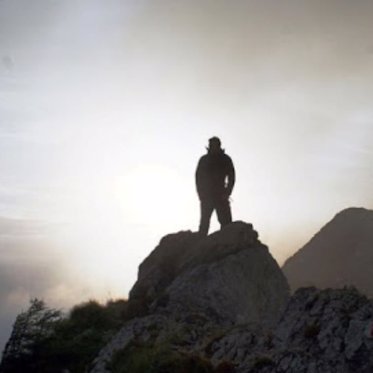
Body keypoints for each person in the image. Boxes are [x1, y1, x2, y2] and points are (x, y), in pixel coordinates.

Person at [195, 137, 235, 235]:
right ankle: (201, 244)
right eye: (211, 145)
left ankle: (227, 245)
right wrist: (201, 195)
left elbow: (232, 177)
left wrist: (227, 192)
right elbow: (198, 178)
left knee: (226, 225)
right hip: (207, 196)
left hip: (221, 195)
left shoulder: (225, 159)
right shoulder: (204, 160)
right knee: (204, 224)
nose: (213, 147)